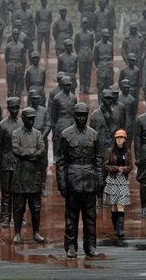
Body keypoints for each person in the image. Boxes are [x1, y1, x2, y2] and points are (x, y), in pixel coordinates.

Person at [57, 102, 102, 258]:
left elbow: (98, 161)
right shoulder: (66, 134)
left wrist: (100, 182)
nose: (82, 118)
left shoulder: (94, 135)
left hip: (90, 182)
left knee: (90, 217)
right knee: (71, 217)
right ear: (74, 116)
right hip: (73, 181)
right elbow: (61, 161)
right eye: (79, 115)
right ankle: (70, 246)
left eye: (84, 115)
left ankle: (91, 246)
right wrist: (61, 183)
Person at [11, 107, 46, 244]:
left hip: (34, 175)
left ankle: (36, 232)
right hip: (20, 175)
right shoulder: (16, 134)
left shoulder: (38, 134)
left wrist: (29, 153)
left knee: (36, 207)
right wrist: (32, 152)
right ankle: (17, 233)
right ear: (23, 119)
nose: (31, 121)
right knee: (19, 207)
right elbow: (16, 150)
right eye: (28, 119)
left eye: (33, 119)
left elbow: (42, 151)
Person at [90, 89, 120, 207]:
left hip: (111, 148)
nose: (108, 101)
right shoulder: (95, 115)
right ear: (102, 99)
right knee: (99, 175)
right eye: (106, 98)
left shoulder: (115, 113)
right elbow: (92, 134)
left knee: (111, 174)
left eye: (110, 98)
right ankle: (99, 198)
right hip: (99, 148)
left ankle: (109, 196)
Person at [0, 97, 23, 228]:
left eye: (16, 108)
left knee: (19, 193)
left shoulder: (23, 124)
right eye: (12, 108)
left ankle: (18, 216)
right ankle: (5, 217)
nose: (15, 110)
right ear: (8, 109)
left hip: (19, 164)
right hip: (6, 163)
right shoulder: (2, 125)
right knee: (6, 192)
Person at [104, 129, 132, 239]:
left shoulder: (127, 152)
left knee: (120, 204)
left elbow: (130, 166)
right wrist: (116, 169)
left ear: (125, 139)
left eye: (121, 138)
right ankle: (115, 227)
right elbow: (105, 166)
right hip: (112, 180)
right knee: (114, 205)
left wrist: (123, 169)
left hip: (122, 181)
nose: (119, 140)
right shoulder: (110, 151)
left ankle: (120, 229)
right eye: (117, 137)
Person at [28, 90, 51, 196]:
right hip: (30, 141)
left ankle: (42, 186)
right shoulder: (26, 111)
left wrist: (42, 137)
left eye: (37, 98)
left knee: (43, 164)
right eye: (33, 98)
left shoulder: (44, 110)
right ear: (30, 99)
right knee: (31, 164)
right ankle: (32, 185)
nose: (36, 100)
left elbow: (48, 124)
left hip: (42, 141)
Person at [50, 76, 77, 164]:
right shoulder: (57, 98)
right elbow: (53, 114)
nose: (68, 87)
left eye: (69, 85)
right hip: (61, 122)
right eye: (66, 85)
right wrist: (54, 126)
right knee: (59, 141)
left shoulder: (73, 97)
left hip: (71, 121)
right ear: (62, 85)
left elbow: (75, 112)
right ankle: (58, 157)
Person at [74, 17, 94, 94]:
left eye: (86, 23)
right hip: (81, 55)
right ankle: (82, 86)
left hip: (88, 55)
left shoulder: (90, 34)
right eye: (83, 23)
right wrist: (79, 53)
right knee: (82, 72)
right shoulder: (78, 34)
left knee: (88, 73)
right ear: (81, 24)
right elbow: (76, 45)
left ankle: (87, 87)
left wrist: (89, 52)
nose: (85, 24)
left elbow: (92, 44)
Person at [93, 29, 114, 101]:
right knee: (101, 87)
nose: (106, 38)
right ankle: (100, 102)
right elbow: (95, 58)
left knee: (109, 86)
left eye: (107, 36)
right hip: (101, 67)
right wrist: (100, 65)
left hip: (109, 67)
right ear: (102, 36)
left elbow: (111, 56)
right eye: (105, 36)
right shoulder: (97, 45)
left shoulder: (110, 44)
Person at [5, 29, 25, 98]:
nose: (16, 36)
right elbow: (6, 57)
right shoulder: (8, 46)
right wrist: (10, 64)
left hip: (19, 66)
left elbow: (23, 57)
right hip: (10, 66)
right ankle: (10, 100)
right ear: (12, 35)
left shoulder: (21, 45)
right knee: (10, 86)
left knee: (18, 87)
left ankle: (17, 101)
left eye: (17, 34)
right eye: (15, 34)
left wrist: (21, 66)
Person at [118, 80, 136, 148]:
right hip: (119, 122)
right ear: (122, 87)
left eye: (128, 87)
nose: (126, 89)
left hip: (129, 123)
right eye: (125, 87)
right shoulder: (118, 98)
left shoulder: (132, 99)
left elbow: (133, 114)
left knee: (128, 143)